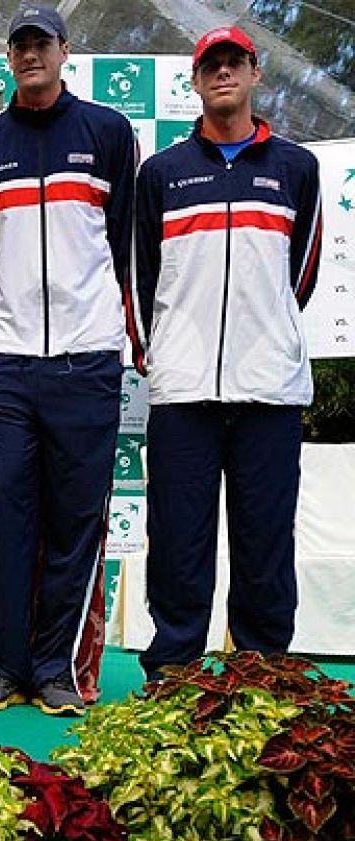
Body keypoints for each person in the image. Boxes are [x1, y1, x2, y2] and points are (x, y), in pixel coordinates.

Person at [0, 3, 139, 716]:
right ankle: (3, 664)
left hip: (88, 359)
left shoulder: (107, 132)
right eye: (19, 46)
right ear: (9, 59)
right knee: (6, 509)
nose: (31, 55)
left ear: (65, 51)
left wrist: (123, 333)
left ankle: (55, 665)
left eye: (42, 44)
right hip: (4, 358)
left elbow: (125, 242)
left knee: (74, 518)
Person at [134, 26, 323, 680]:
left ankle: (263, 669)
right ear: (196, 79)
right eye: (210, 64)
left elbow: (301, 274)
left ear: (254, 71)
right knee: (179, 543)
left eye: (233, 62)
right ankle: (174, 668)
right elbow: (143, 275)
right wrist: (163, 350)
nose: (222, 73)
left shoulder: (297, 167)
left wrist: (260, 330)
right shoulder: (162, 172)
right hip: (183, 388)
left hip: (268, 386)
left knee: (265, 543)